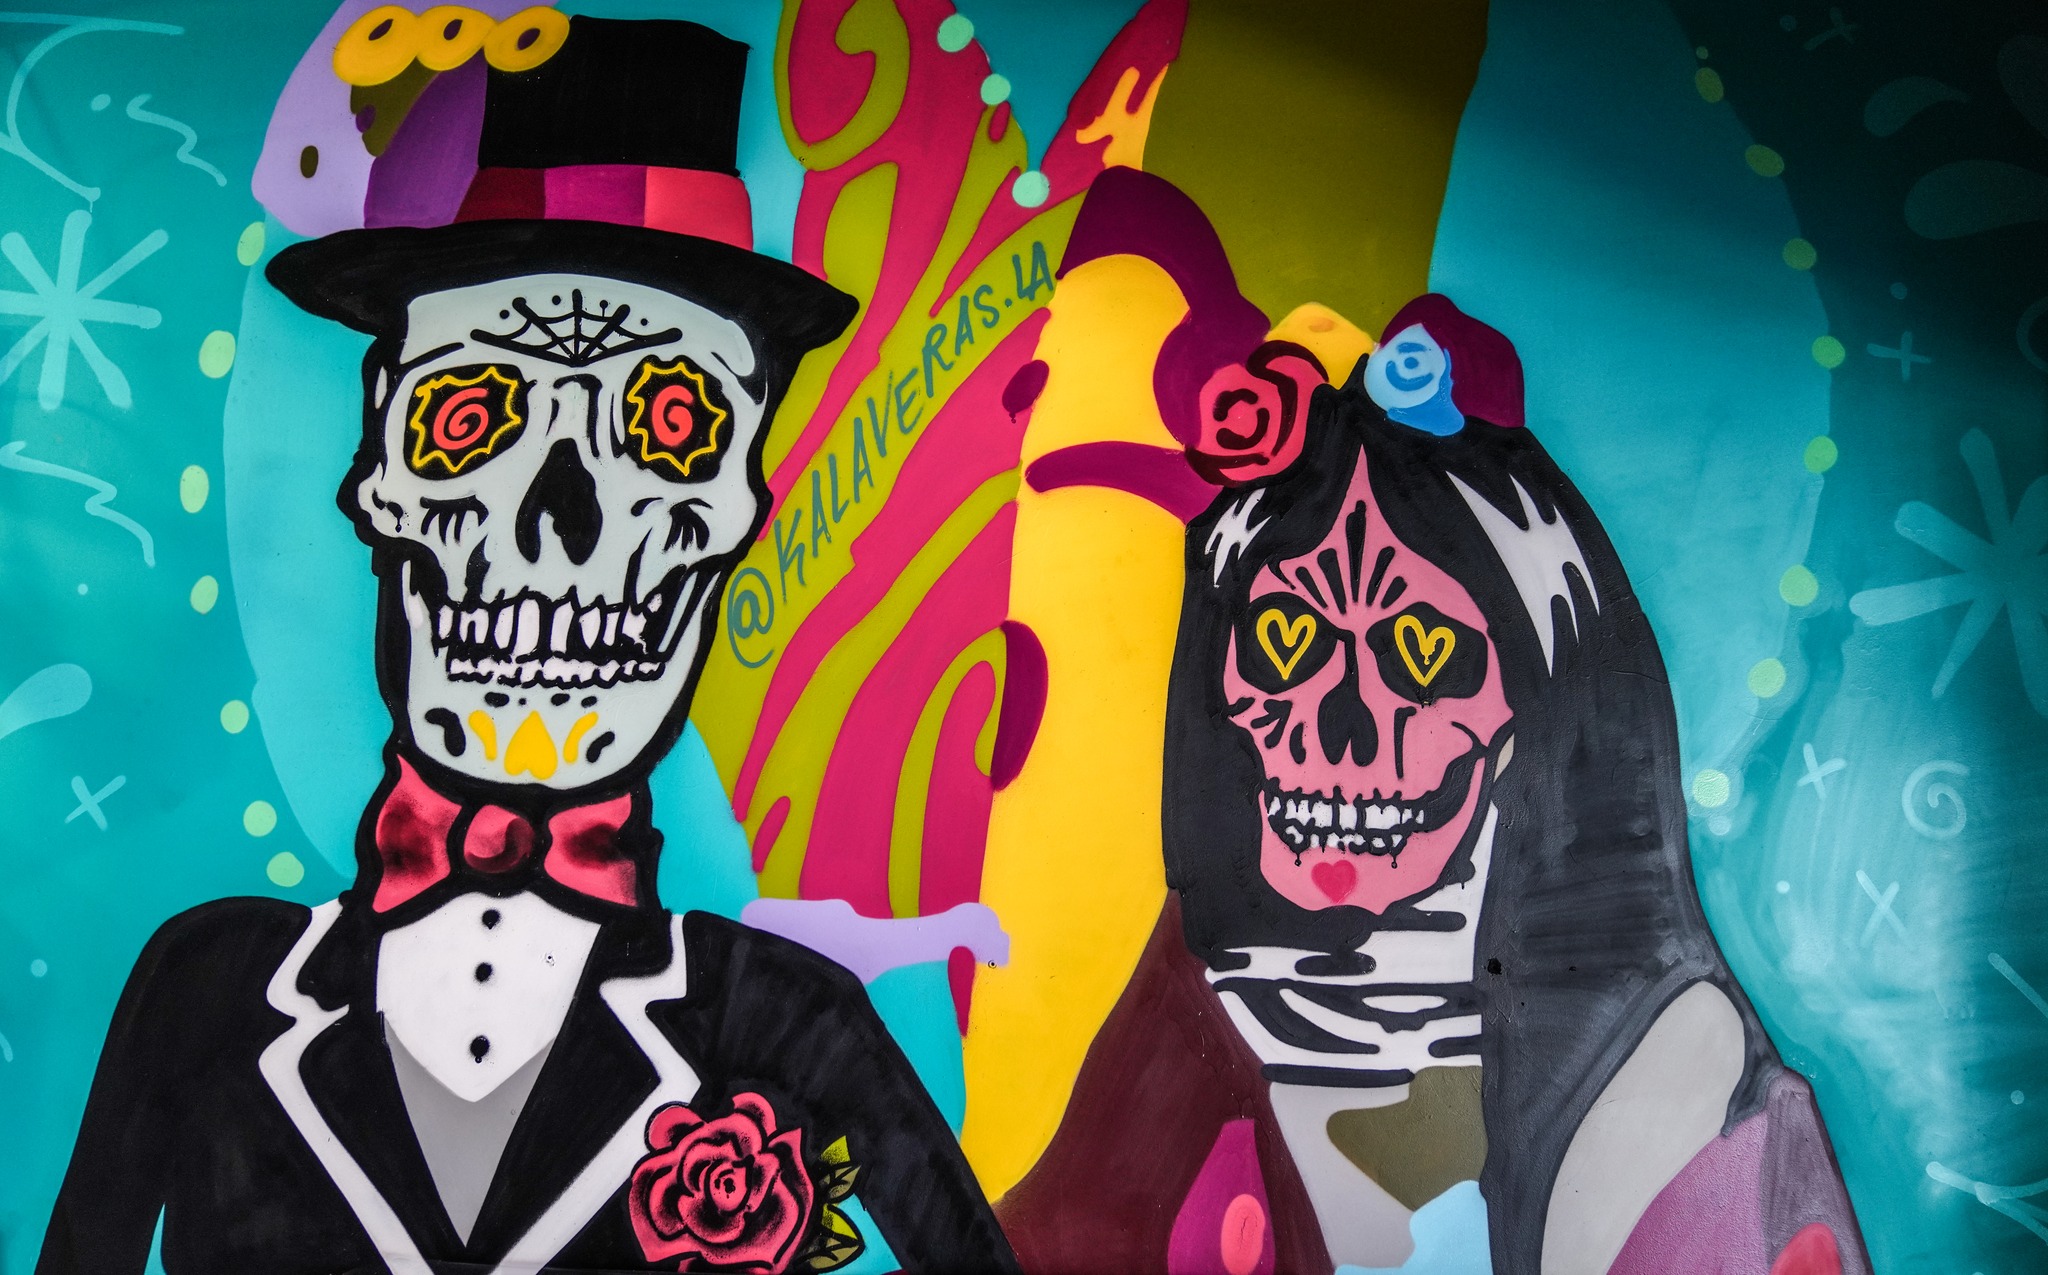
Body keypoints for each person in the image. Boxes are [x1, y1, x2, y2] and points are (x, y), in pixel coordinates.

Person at [38, 17, 1016, 1274]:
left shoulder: (781, 1022)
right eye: (471, 417)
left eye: (669, 427)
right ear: (377, 468)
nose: (563, 523)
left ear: (738, 503)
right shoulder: (210, 995)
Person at [999, 293, 1867, 1275]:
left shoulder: (1697, 1101)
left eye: (1421, 651)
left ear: (1540, 697)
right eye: (1286, 640)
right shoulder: (1173, 1044)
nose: (1342, 724)